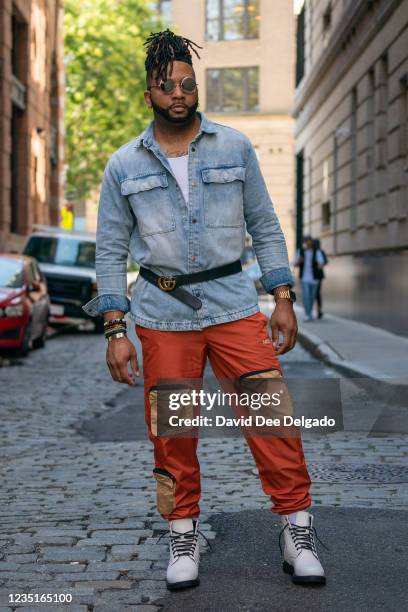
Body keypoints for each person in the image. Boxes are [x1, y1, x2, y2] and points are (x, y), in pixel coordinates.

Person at [82, 29, 326, 590]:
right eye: (166, 85)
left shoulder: (235, 147)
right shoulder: (123, 165)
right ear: (148, 94)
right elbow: (111, 251)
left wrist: (282, 296)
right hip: (163, 315)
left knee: (273, 420)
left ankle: (297, 527)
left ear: (197, 89)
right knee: (173, 433)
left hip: (236, 306)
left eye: (187, 84)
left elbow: (264, 225)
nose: (178, 93)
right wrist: (115, 329)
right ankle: (183, 530)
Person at [294, 236, 325, 322]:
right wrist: (299, 261)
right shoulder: (300, 252)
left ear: (311, 242)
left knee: (312, 297)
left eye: (308, 241)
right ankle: (307, 314)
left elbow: (321, 264)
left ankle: (309, 313)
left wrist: (319, 265)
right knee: (306, 296)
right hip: (304, 278)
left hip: (314, 279)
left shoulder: (317, 252)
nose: (307, 243)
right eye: (305, 241)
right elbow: (295, 264)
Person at [313, 238, 328, 319]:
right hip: (314, 276)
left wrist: (320, 265)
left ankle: (318, 310)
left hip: (318, 276)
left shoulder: (320, 252)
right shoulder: (313, 252)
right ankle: (317, 310)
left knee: (317, 293)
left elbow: (325, 261)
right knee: (316, 294)